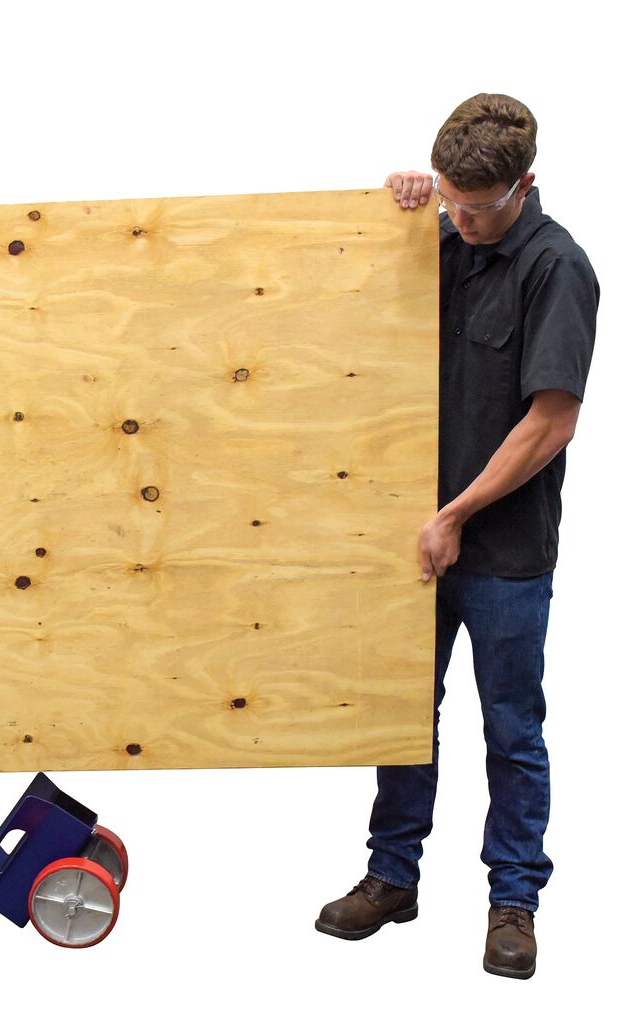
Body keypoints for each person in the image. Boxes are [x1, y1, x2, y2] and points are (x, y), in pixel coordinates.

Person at [314, 94, 599, 980]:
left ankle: (513, 900)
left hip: (503, 553)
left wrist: (455, 516)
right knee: (404, 716)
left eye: (477, 207)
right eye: (450, 200)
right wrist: (394, 211)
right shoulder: (437, 240)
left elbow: (550, 422)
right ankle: (392, 876)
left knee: (511, 728)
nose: (463, 221)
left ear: (526, 185)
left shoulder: (558, 268)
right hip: (415, 540)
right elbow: (350, 316)